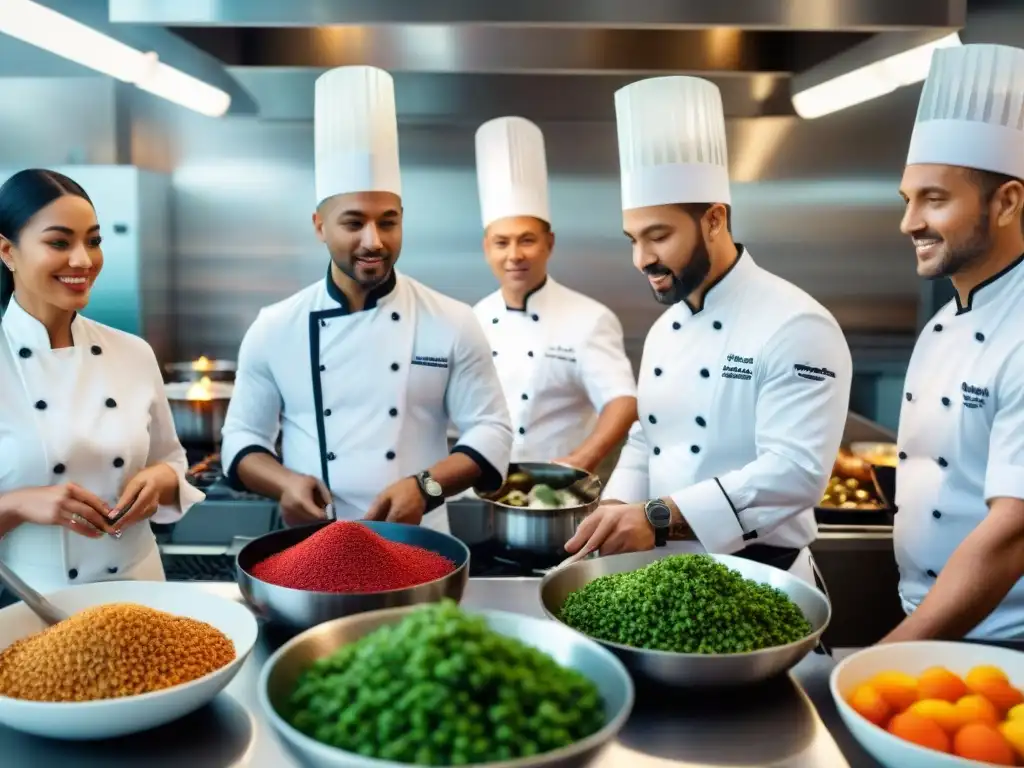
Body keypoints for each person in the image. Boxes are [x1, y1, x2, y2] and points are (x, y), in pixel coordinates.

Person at [564, 75, 853, 587]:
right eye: (632, 238)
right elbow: (647, 437)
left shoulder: (796, 324)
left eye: (659, 236)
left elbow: (795, 473)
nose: (642, 259)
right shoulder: (665, 329)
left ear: (715, 219)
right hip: (669, 579)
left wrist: (655, 516)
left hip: (760, 581)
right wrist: (610, 511)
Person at [220, 66, 513, 529]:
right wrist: (284, 483)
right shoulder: (276, 326)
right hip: (313, 544)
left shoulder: (451, 320)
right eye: (354, 223)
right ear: (320, 225)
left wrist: (425, 486)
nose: (374, 241)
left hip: (419, 541)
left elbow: (492, 430)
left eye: (388, 221)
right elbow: (241, 438)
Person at [0, 169, 203, 596]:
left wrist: (158, 482)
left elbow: (173, 461)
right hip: (36, 603)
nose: (83, 260)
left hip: (144, 590)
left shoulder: (133, 352)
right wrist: (17, 505)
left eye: (93, 241)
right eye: (59, 242)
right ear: (7, 251)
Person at [881, 44, 1024, 642]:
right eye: (908, 200)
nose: (909, 222)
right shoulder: (943, 326)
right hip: (931, 620)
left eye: (934, 199)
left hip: (1008, 644)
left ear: (1008, 201)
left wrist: (891, 655)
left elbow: (1014, 528)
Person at [471, 116, 638, 471]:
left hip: (556, 488)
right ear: (487, 248)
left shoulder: (589, 318)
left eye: (527, 240)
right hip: (480, 486)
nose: (514, 255)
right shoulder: (472, 321)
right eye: (502, 242)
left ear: (549, 243)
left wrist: (582, 460)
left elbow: (622, 401)